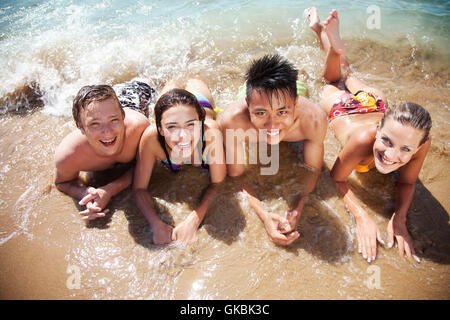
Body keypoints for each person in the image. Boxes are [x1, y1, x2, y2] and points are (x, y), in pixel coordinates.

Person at [305, 7, 432, 263]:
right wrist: (362, 216)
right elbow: (337, 178)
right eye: (386, 141)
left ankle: (329, 40)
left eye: (406, 150)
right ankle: (323, 35)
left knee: (347, 73)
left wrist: (400, 218)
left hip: (376, 104)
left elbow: (407, 182)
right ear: (378, 131)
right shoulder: (364, 140)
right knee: (332, 82)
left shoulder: (422, 142)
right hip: (344, 109)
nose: (391, 155)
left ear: (418, 147)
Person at [220, 54, 327, 246]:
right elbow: (236, 175)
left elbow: (314, 169)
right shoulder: (234, 121)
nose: (272, 125)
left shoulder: (314, 120)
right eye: (261, 114)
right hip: (256, 95)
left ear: (295, 104)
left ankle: (299, 76)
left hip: (292, 94)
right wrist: (264, 216)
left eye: (282, 112)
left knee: (300, 79)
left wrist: (297, 209)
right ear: (248, 105)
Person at [132, 77, 226, 245]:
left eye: (191, 125)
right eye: (172, 127)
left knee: (194, 80)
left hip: (201, 102)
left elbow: (218, 183)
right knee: (171, 82)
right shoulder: (151, 139)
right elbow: (139, 188)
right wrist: (156, 223)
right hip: (172, 106)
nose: (183, 136)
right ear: (160, 129)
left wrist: (194, 220)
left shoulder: (211, 134)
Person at [54, 81, 153, 220]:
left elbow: (150, 165)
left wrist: (109, 190)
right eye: (94, 124)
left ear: (122, 117)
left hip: (132, 97)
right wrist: (84, 193)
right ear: (81, 127)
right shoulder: (69, 155)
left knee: (152, 89)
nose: (107, 132)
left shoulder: (139, 129)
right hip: (109, 105)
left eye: (114, 120)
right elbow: (62, 183)